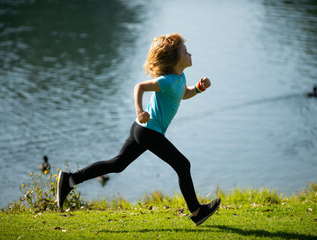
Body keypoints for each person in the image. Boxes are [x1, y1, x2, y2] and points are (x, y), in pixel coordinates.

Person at [57, 33, 221, 226]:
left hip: (141, 129)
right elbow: (139, 87)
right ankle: (196, 211)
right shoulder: (166, 80)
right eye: (186, 52)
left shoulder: (180, 77)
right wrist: (140, 110)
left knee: (117, 164)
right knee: (183, 165)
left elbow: (183, 94)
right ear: (176, 60)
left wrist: (199, 88)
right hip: (148, 131)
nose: (190, 54)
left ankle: (70, 180)